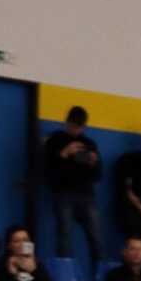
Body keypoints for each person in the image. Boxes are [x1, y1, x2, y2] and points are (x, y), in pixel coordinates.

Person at [42, 103, 104, 263]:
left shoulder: (89, 144)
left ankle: (101, 274)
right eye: (74, 126)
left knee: (96, 236)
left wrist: (94, 163)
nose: (77, 130)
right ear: (67, 122)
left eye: (80, 127)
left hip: (86, 194)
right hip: (64, 193)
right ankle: (66, 274)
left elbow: (98, 176)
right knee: (65, 236)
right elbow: (48, 169)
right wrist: (64, 153)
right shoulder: (55, 141)